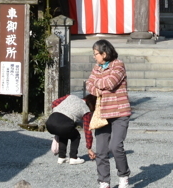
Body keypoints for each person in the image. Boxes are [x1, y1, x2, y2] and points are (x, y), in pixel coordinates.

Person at [85, 39, 131, 188]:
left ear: (104, 53)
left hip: (119, 111)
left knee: (116, 146)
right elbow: (88, 85)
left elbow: (110, 83)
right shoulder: (96, 67)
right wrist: (97, 87)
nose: (94, 57)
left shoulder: (118, 65)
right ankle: (104, 181)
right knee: (102, 150)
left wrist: (96, 84)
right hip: (102, 113)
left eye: (96, 54)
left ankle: (123, 176)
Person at [46, 93, 95, 165]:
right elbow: (87, 130)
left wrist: (61, 110)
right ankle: (73, 157)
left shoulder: (70, 96)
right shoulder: (86, 110)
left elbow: (54, 103)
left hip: (50, 122)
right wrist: (89, 148)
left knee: (64, 133)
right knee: (76, 135)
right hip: (63, 125)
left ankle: (61, 157)